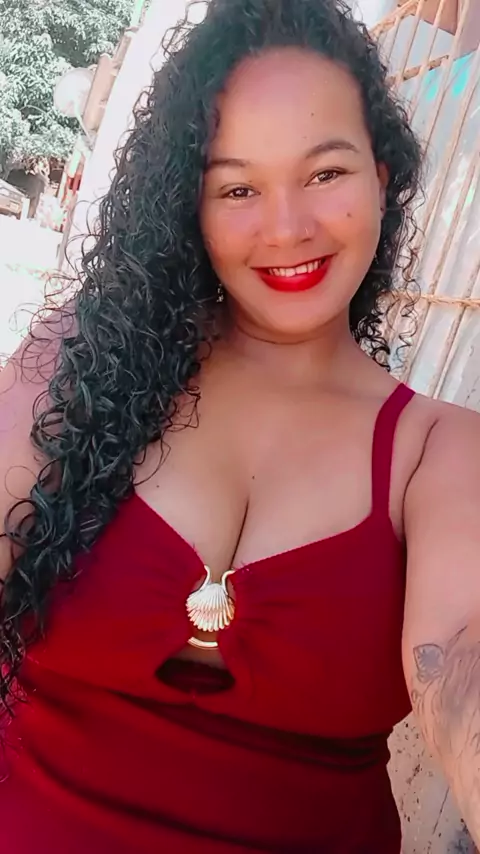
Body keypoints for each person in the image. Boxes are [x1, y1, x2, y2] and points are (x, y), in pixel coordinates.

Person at [1, 0, 480, 851]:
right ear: (190, 205)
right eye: (238, 188)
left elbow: (462, 662)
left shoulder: (438, 453)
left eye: (325, 174)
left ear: (383, 176)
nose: (287, 227)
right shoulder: (84, 362)